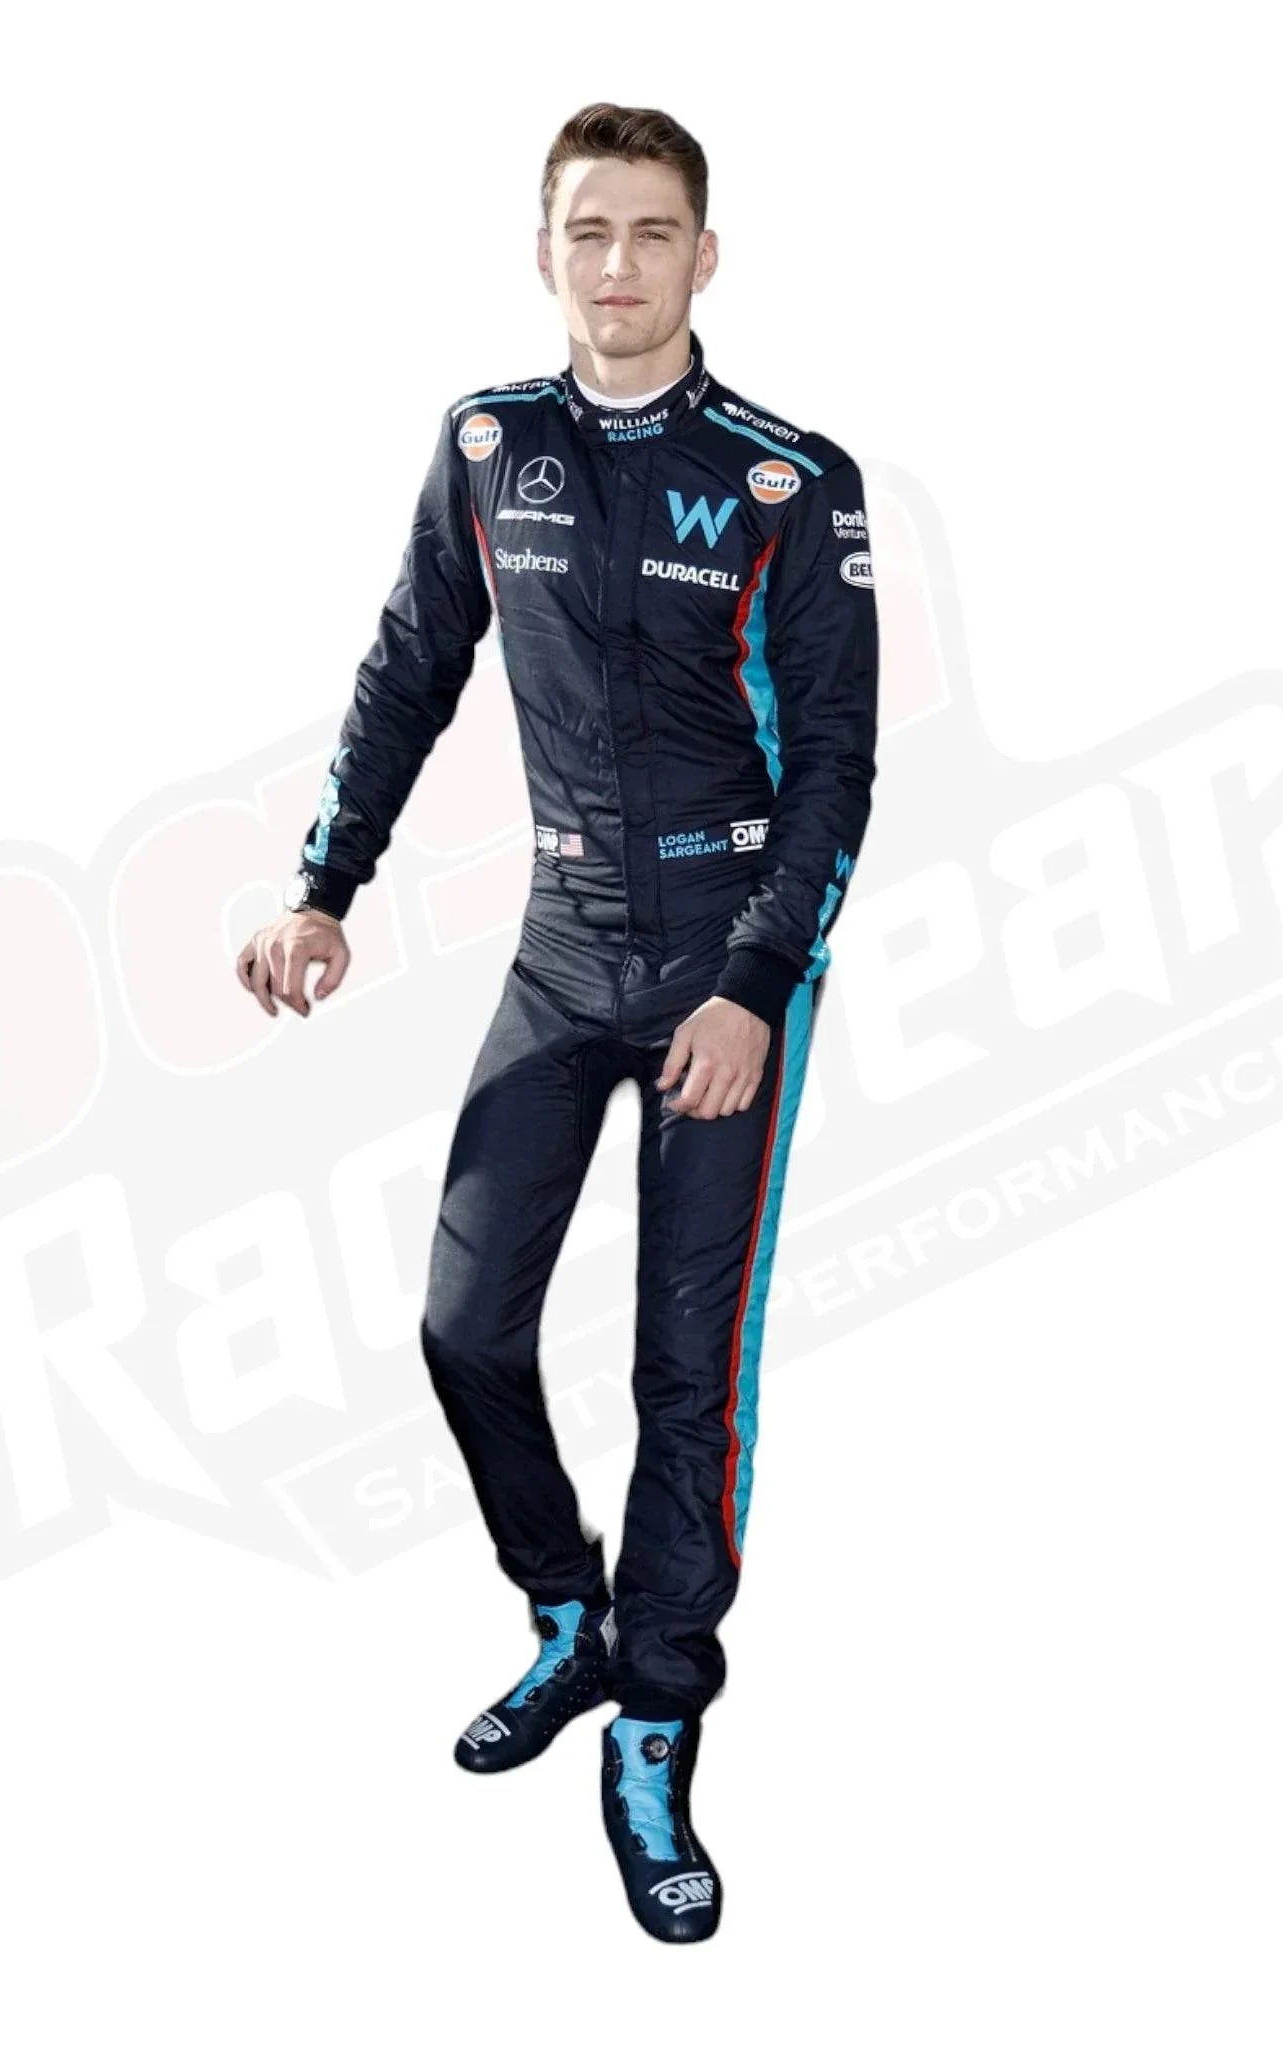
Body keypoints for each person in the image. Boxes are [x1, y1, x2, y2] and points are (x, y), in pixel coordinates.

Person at [236, 102, 879, 1942]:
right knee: (462, 1326)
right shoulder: (486, 446)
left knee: (687, 1370)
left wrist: (754, 984)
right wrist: (323, 886)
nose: (619, 263)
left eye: (653, 231)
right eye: (589, 231)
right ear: (544, 254)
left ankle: (659, 1716)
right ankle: (569, 1615)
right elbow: (407, 669)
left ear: (705, 256)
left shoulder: (790, 482)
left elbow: (837, 769)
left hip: (726, 951)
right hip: (563, 940)